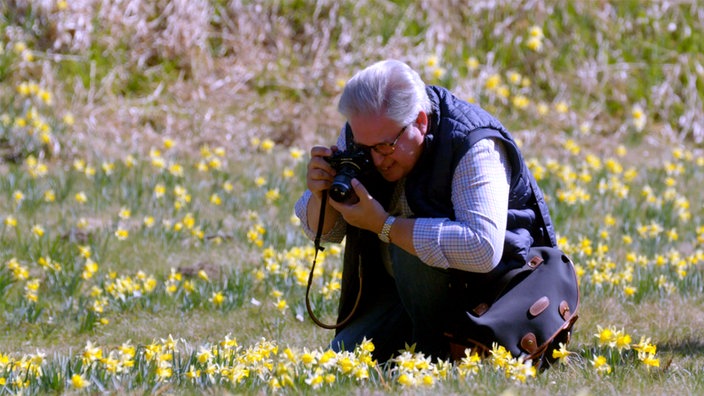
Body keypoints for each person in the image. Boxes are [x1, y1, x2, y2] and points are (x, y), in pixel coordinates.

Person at [295, 59, 556, 362]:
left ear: (419, 121)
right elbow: (324, 232)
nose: (376, 160)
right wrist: (320, 195)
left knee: (410, 245)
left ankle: (433, 354)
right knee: (340, 362)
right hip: (399, 295)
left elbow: (483, 248)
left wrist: (385, 226)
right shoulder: (366, 134)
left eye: (385, 147)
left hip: (488, 302)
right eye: (365, 148)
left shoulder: (473, 143)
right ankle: (415, 348)